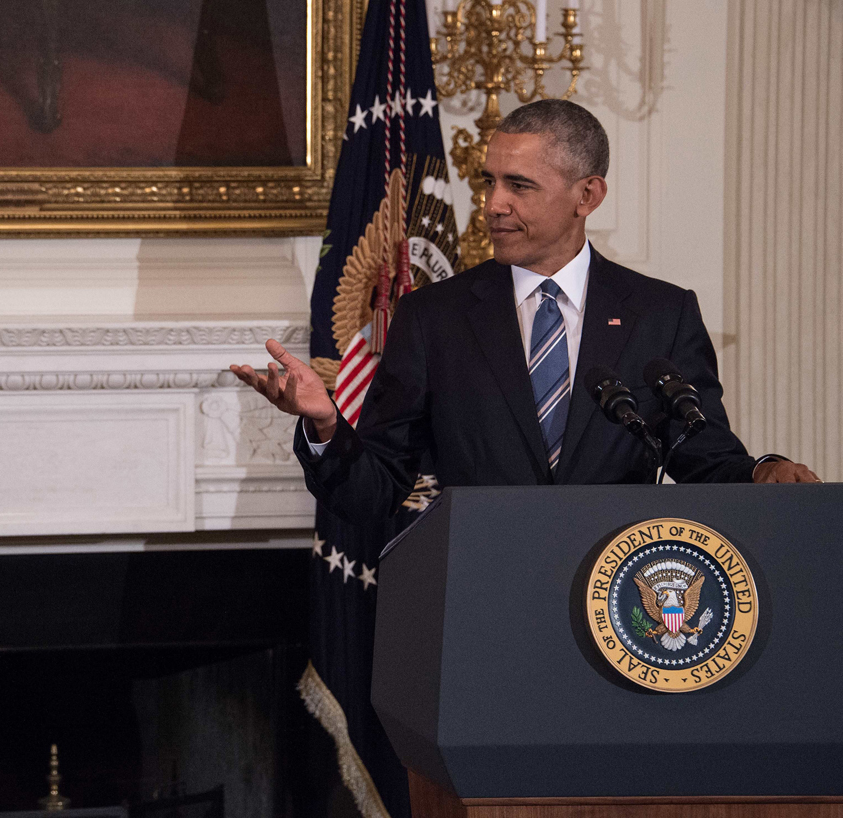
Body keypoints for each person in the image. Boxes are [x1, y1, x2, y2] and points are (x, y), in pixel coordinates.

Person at [231, 100, 819, 524]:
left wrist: (762, 471)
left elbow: (703, 454)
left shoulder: (660, 313)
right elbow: (375, 490)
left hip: (616, 597)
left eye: (520, 186)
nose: (493, 206)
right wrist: (326, 425)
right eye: (489, 182)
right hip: (483, 600)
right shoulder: (434, 318)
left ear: (587, 196)